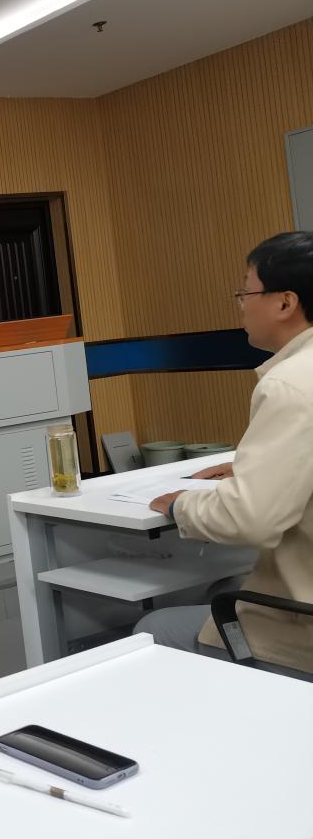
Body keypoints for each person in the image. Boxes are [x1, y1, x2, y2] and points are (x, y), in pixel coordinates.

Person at [137, 231, 313, 676]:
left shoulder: (290, 383)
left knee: (153, 630)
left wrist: (181, 505)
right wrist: (258, 468)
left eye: (246, 292)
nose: (241, 306)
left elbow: (251, 518)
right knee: (227, 584)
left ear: (285, 302)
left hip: (303, 630)